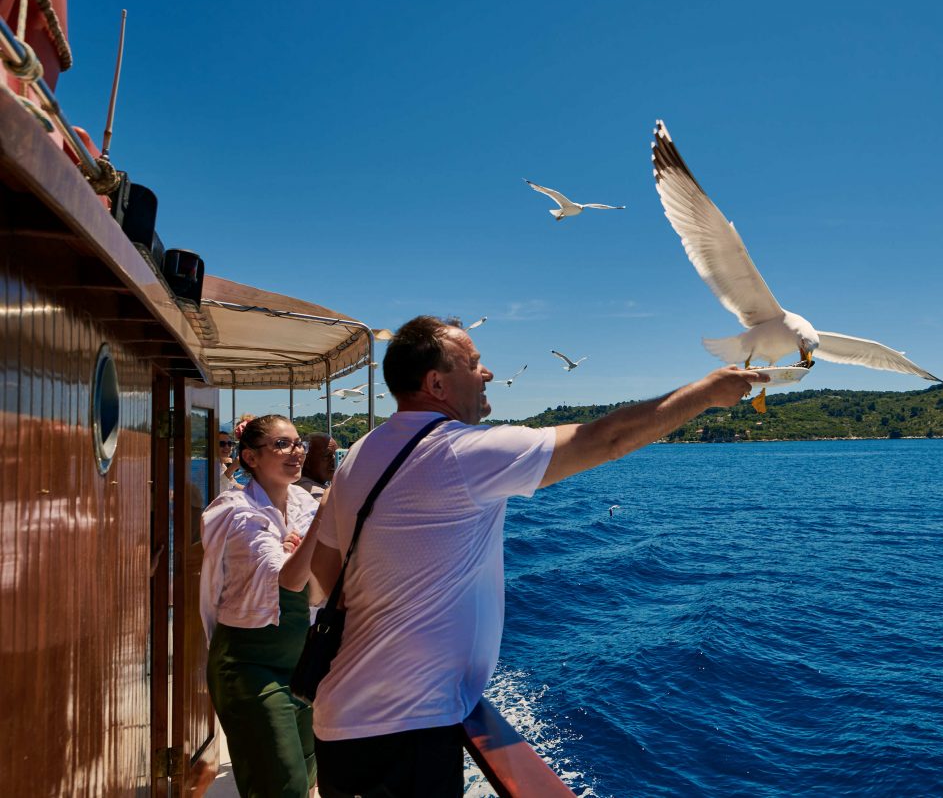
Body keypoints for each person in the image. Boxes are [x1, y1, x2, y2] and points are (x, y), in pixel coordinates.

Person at [309, 316, 765, 797]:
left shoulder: (360, 453)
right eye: (475, 363)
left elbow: (322, 576)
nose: (486, 373)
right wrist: (707, 392)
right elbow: (605, 439)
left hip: (339, 719)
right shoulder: (461, 452)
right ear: (436, 383)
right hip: (406, 727)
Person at [200, 414, 328, 797]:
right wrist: (326, 517)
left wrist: (303, 554)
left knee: (307, 777)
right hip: (249, 665)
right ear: (250, 458)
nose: (297, 451)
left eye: (298, 443)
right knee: (281, 785)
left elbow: (317, 593)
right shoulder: (235, 511)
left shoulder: (303, 502)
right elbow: (288, 580)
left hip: (301, 663)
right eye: (282, 444)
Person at [296, 433, 338, 501]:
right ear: (307, 460)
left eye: (336, 454)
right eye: (327, 456)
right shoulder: (312, 492)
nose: (334, 461)